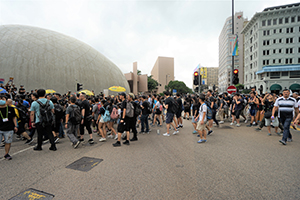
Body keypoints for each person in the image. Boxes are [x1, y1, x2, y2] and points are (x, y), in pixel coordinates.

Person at [0, 95, 18, 160]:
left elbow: (14, 118)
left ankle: (6, 153)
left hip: (9, 128)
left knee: (8, 142)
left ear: (6, 100)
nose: (1, 100)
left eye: (3, 99)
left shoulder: (11, 108)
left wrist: (15, 126)